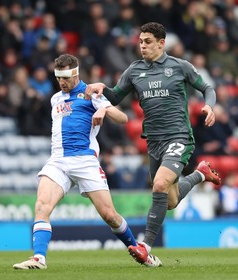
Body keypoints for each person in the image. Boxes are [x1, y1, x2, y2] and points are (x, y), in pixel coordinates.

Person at [85, 22, 222, 266]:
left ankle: (145, 246)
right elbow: (116, 96)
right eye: (140, 42)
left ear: (161, 43)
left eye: (147, 41)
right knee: (169, 200)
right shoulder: (134, 70)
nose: (142, 46)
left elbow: (207, 87)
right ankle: (199, 174)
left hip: (179, 137)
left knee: (159, 184)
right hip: (154, 142)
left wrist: (209, 105)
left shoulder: (179, 66)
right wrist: (101, 88)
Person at [13, 54, 161, 270]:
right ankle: (39, 259)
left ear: (75, 73)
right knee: (42, 206)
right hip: (58, 161)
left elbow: (123, 119)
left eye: (65, 77)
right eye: (58, 78)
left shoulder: (91, 92)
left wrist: (104, 108)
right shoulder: (55, 99)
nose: (62, 82)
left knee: (110, 216)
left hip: (85, 161)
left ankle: (141, 252)